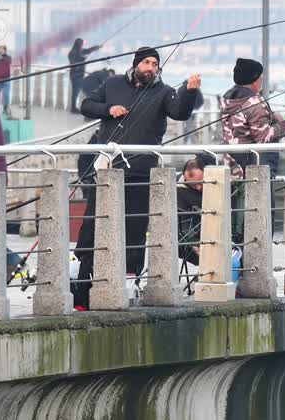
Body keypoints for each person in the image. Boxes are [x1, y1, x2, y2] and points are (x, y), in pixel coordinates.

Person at [72, 46, 201, 309]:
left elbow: (180, 112)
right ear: (136, 64)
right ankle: (82, 290)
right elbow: (86, 105)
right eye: (147, 63)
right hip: (108, 168)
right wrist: (110, 109)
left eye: (155, 64)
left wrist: (190, 91)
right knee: (92, 227)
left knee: (134, 228)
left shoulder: (163, 91)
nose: (151, 68)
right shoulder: (113, 84)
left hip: (141, 170)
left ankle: (129, 285)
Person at [221, 58, 285, 178]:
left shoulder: (228, 98)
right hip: (255, 167)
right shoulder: (254, 102)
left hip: (232, 163)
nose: (262, 80)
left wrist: (272, 118)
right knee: (262, 197)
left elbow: (243, 123)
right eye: (261, 77)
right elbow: (263, 138)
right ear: (255, 80)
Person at [67, 38, 102, 113]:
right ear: (78, 44)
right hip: (75, 75)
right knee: (76, 92)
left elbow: (89, 50)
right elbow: (74, 63)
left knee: (76, 91)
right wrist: (82, 59)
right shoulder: (72, 53)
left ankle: (74, 108)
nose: (82, 45)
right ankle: (74, 108)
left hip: (80, 75)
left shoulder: (80, 51)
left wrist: (97, 47)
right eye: (81, 44)